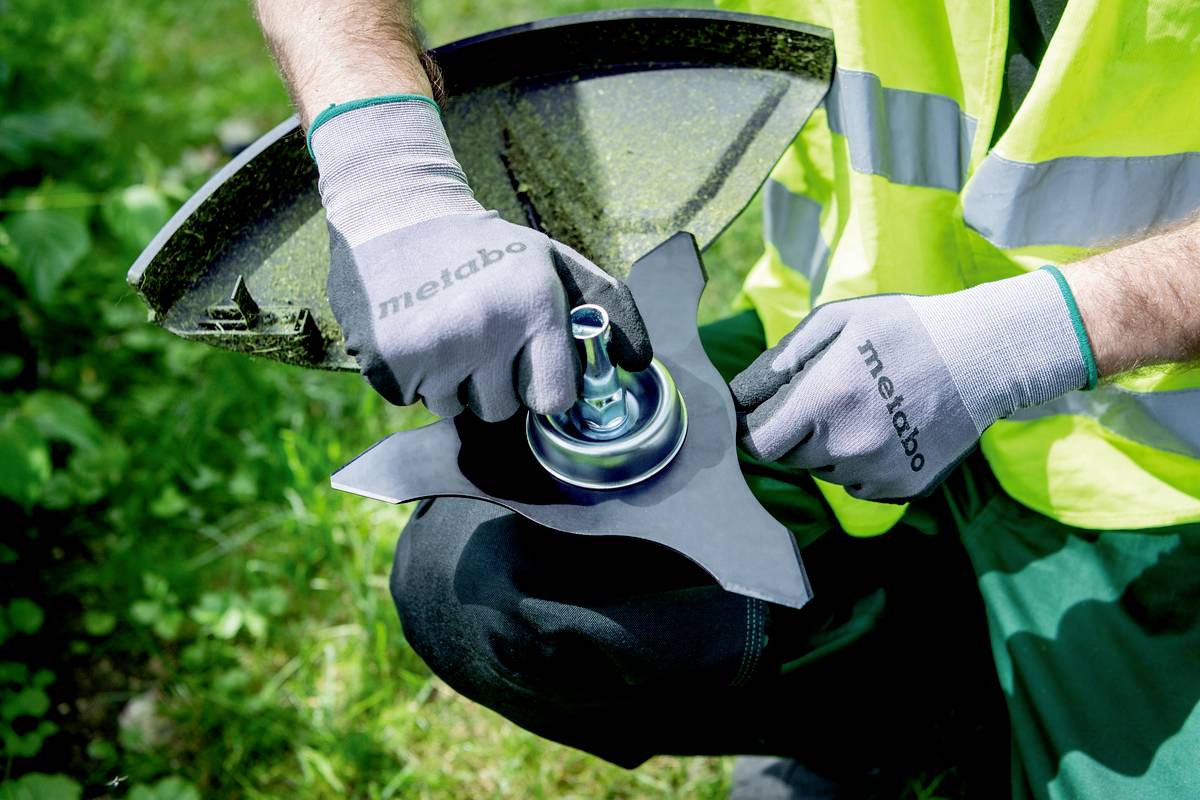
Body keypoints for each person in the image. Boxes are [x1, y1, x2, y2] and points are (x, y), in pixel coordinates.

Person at [253, 0, 1200, 796]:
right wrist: (390, 178)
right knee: (496, 583)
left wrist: (1045, 332)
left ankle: (1014, 708)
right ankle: (907, 724)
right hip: (830, 357)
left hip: (1155, 479)